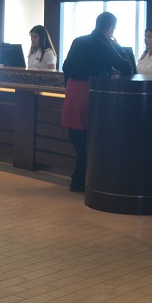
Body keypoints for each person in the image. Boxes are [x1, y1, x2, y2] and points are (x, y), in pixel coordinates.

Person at [61, 12, 135, 192]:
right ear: (110, 28)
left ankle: (79, 179)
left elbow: (66, 67)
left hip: (72, 92)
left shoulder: (78, 41)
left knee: (78, 138)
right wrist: (117, 46)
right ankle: (80, 180)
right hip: (90, 94)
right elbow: (128, 68)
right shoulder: (105, 45)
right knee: (89, 140)